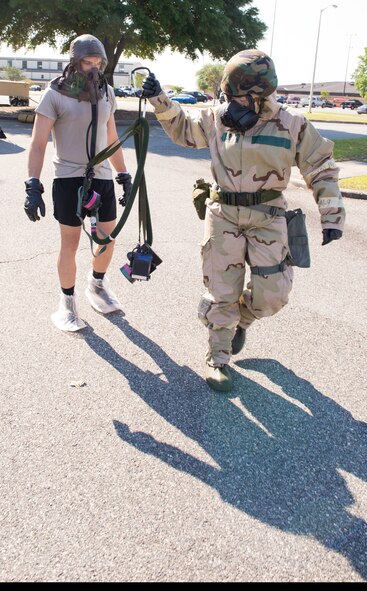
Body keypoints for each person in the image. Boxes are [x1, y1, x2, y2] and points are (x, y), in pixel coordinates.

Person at [141, 49, 345, 393]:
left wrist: (332, 215)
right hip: (223, 215)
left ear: (258, 96)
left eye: (234, 97)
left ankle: (242, 321)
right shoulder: (217, 117)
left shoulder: (292, 124)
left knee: (273, 295)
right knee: (222, 291)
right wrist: (160, 99)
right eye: (225, 96)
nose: (227, 103)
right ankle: (217, 358)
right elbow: (184, 131)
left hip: (269, 217)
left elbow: (321, 167)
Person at [24, 34, 132, 332]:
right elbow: (38, 143)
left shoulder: (106, 93)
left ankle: (96, 285)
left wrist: (123, 174)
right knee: (70, 244)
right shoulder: (55, 94)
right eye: (87, 62)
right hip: (69, 179)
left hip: (102, 178)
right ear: (75, 62)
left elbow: (111, 138)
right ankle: (67, 303)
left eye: (98, 63)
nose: (94, 68)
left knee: (107, 239)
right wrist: (33, 183)